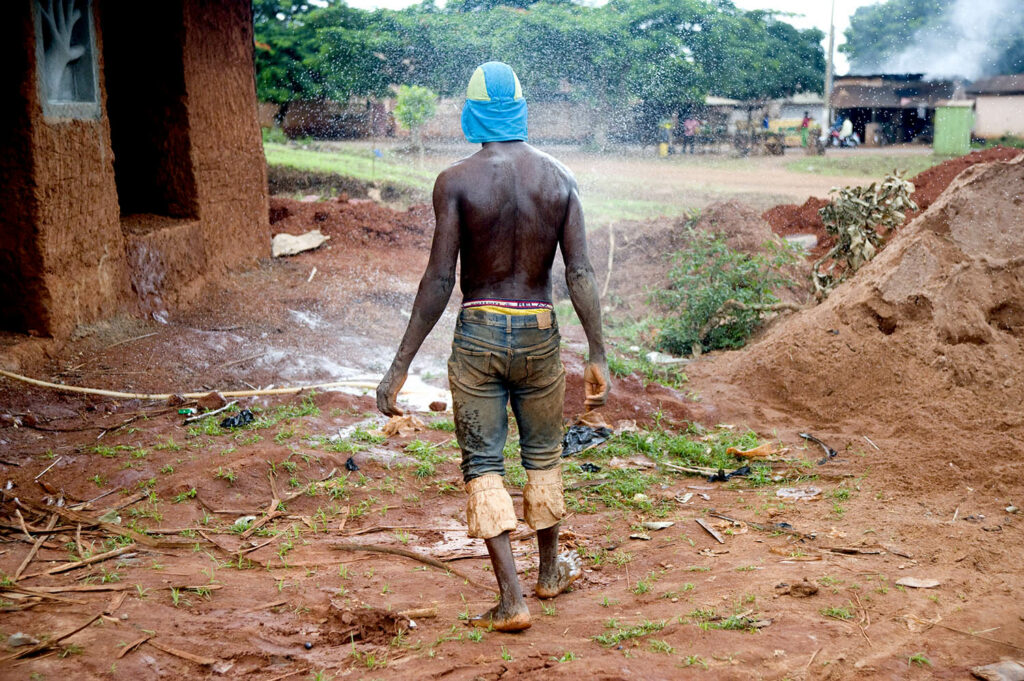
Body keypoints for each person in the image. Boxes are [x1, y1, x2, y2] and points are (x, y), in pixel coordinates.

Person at [376, 61, 610, 632]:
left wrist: (398, 366)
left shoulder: (456, 181)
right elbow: (579, 273)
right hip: (539, 335)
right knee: (544, 456)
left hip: (479, 332)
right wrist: (598, 353)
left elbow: (438, 281)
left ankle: (511, 599)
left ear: (472, 113)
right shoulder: (560, 178)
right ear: (522, 109)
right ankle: (550, 572)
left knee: (483, 465)